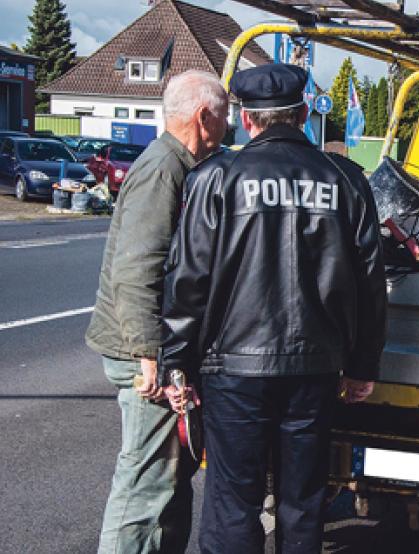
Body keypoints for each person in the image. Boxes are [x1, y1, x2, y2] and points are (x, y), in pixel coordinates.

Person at [160, 63, 387, 554]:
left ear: (247, 120)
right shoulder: (345, 180)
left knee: (232, 501)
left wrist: (177, 363)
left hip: (232, 370)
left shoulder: (215, 178)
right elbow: (371, 282)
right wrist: (362, 363)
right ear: (304, 114)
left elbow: (188, 281)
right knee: (302, 502)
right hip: (316, 368)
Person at [85, 69, 229, 553]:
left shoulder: (180, 164)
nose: (228, 127)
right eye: (226, 116)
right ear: (204, 116)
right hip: (146, 355)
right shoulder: (163, 169)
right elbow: (136, 269)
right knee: (147, 481)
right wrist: (151, 357)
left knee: (171, 480)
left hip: (161, 351)